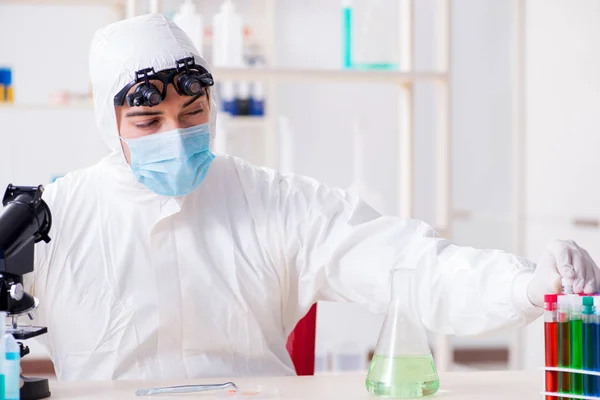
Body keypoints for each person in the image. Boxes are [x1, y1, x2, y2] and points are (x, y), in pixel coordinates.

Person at [26, 14, 598, 381]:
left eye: (193, 113)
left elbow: (411, 264)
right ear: (109, 123)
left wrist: (528, 284)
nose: (176, 136)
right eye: (149, 121)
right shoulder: (55, 217)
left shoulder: (272, 202)